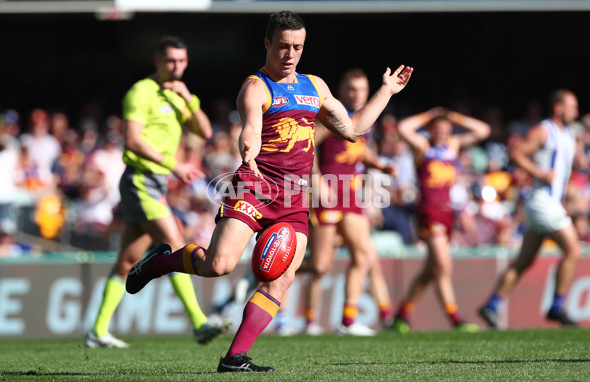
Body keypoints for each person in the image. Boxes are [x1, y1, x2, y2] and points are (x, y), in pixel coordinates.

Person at [126, 11, 413, 372]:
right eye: (282, 46)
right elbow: (250, 129)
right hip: (255, 186)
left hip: (294, 198)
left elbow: (354, 129)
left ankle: (234, 357)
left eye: (297, 47)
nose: (290, 54)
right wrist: (249, 151)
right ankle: (160, 262)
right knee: (218, 265)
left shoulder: (315, 87)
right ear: (267, 44)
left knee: (282, 279)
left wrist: (386, 90)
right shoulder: (256, 87)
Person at [85, 36, 228, 348]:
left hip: (156, 182)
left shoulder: (179, 94)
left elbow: (204, 131)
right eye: (170, 61)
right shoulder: (141, 91)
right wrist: (174, 164)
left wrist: (188, 97)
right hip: (140, 179)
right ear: (157, 61)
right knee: (175, 243)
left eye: (181, 61)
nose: (176, 67)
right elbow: (133, 140)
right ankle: (199, 322)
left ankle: (97, 330)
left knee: (126, 261)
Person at [479, 89, 581, 328]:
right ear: (557, 108)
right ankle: (556, 306)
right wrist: (539, 173)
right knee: (573, 251)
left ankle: (492, 304)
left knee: (523, 262)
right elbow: (515, 153)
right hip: (541, 202)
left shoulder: (568, 133)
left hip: (548, 203)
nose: (575, 112)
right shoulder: (544, 131)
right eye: (571, 107)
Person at [305, 68, 395, 336]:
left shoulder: (365, 122)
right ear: (341, 91)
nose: (356, 94)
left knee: (364, 256)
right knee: (321, 266)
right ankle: (268, 273)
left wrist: (380, 165)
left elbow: (358, 148)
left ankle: (347, 321)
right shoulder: (331, 116)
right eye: (351, 89)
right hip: (328, 197)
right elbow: (306, 145)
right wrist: (318, 180)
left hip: (351, 198)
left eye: (362, 89)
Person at [391, 107, 490, 333]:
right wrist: (428, 115)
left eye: (446, 129)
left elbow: (483, 130)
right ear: (430, 130)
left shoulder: (452, 147)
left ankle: (401, 315)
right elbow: (404, 128)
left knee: (431, 270)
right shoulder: (424, 147)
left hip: (448, 213)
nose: (442, 133)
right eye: (437, 129)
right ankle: (455, 319)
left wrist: (456, 117)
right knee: (444, 265)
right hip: (429, 211)